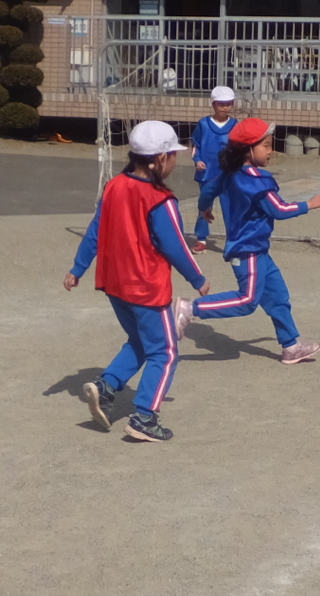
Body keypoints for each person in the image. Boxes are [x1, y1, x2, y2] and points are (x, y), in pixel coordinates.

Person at [65, 119, 212, 442]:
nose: (176, 161)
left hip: (114, 284)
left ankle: (106, 387)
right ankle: (145, 417)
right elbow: (175, 245)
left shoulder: (114, 186)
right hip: (146, 287)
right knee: (165, 352)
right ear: (160, 159)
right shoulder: (161, 199)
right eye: (173, 155)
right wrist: (197, 277)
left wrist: (78, 268)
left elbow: (94, 231)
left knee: (140, 341)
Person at [191, 117, 320, 364]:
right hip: (247, 250)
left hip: (258, 249)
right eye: (266, 145)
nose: (271, 151)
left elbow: (208, 191)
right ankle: (189, 309)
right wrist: (308, 204)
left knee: (278, 296)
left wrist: (204, 207)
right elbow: (279, 210)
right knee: (247, 301)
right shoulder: (257, 180)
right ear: (248, 150)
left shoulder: (229, 174)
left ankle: (291, 346)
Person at [190, 85, 241, 243]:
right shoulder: (204, 124)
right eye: (221, 104)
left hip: (228, 174)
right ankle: (201, 238)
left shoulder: (236, 125)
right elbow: (196, 145)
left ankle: (233, 240)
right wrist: (197, 160)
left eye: (228, 104)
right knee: (204, 204)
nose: (225, 108)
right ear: (213, 104)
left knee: (230, 208)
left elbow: (240, 149)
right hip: (207, 173)